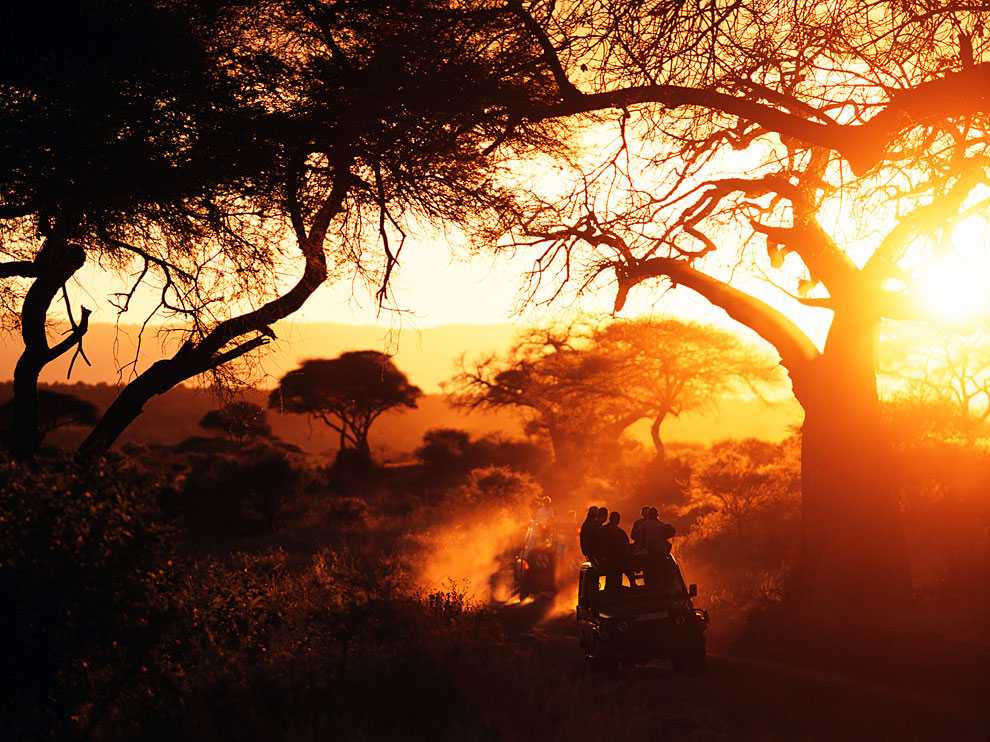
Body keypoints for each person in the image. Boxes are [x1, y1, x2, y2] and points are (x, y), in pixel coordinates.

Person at [600, 511, 633, 594]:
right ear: (618, 520)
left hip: (607, 562)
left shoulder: (602, 530)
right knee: (616, 582)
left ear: (610, 519)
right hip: (617, 563)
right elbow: (626, 548)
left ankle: (610, 595)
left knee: (610, 582)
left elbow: (598, 544)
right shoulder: (621, 533)